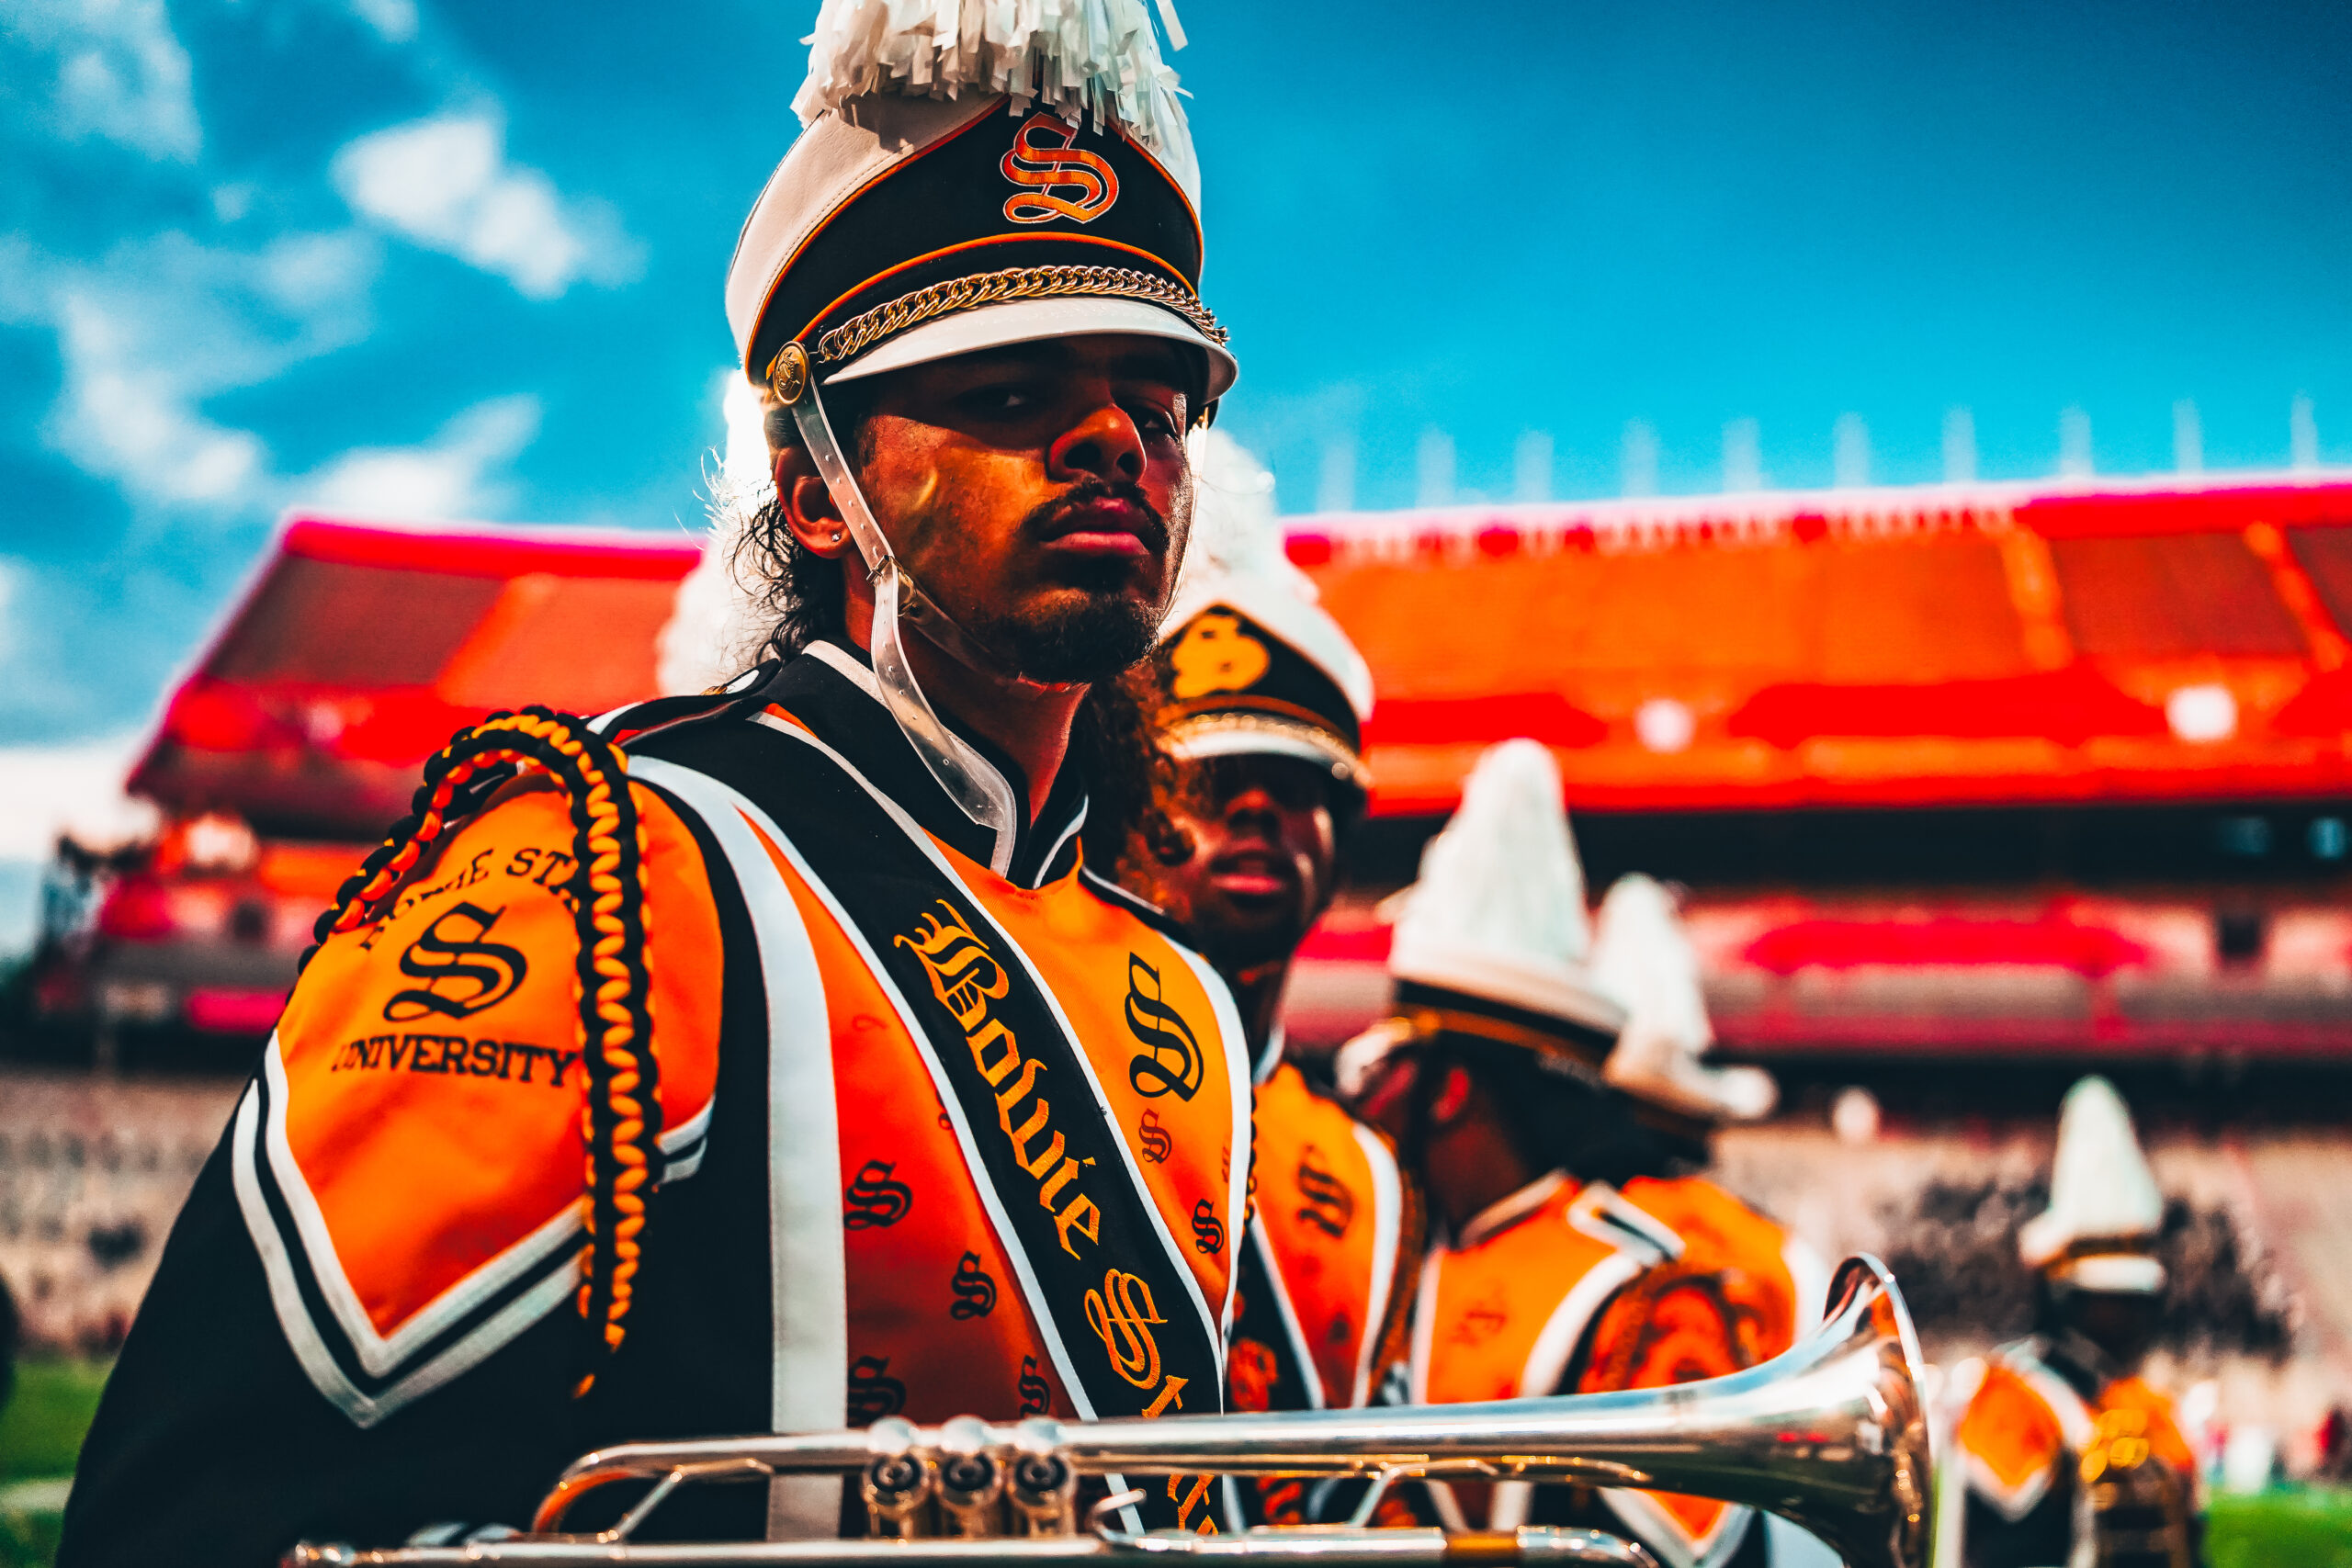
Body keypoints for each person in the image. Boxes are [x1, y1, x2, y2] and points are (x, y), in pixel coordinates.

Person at [61, 6, 1250, 1561]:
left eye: (1158, 403)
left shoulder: (1183, 1000)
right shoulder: (609, 868)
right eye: (1011, 390)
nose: (1112, 438)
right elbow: (202, 1516)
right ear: (816, 492)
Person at [1336, 739, 1825, 1568]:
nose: (1365, 1099)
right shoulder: (1395, 1256)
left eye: (1390, 1069)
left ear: (1450, 1090)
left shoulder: (1647, 1296)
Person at [1121, 433, 1421, 1526]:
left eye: (1298, 789)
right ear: (1120, 823)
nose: (1255, 813)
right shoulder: (1010, 1069)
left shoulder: (1368, 1177)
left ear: (1340, 844)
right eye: (1209, 782)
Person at [1943, 1076, 2200, 1568]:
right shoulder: (2011, 1403)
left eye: (2139, 1300)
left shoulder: (2153, 1410)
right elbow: (1997, 1553)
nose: (2135, 1318)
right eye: (2114, 1300)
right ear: (2063, 1294)